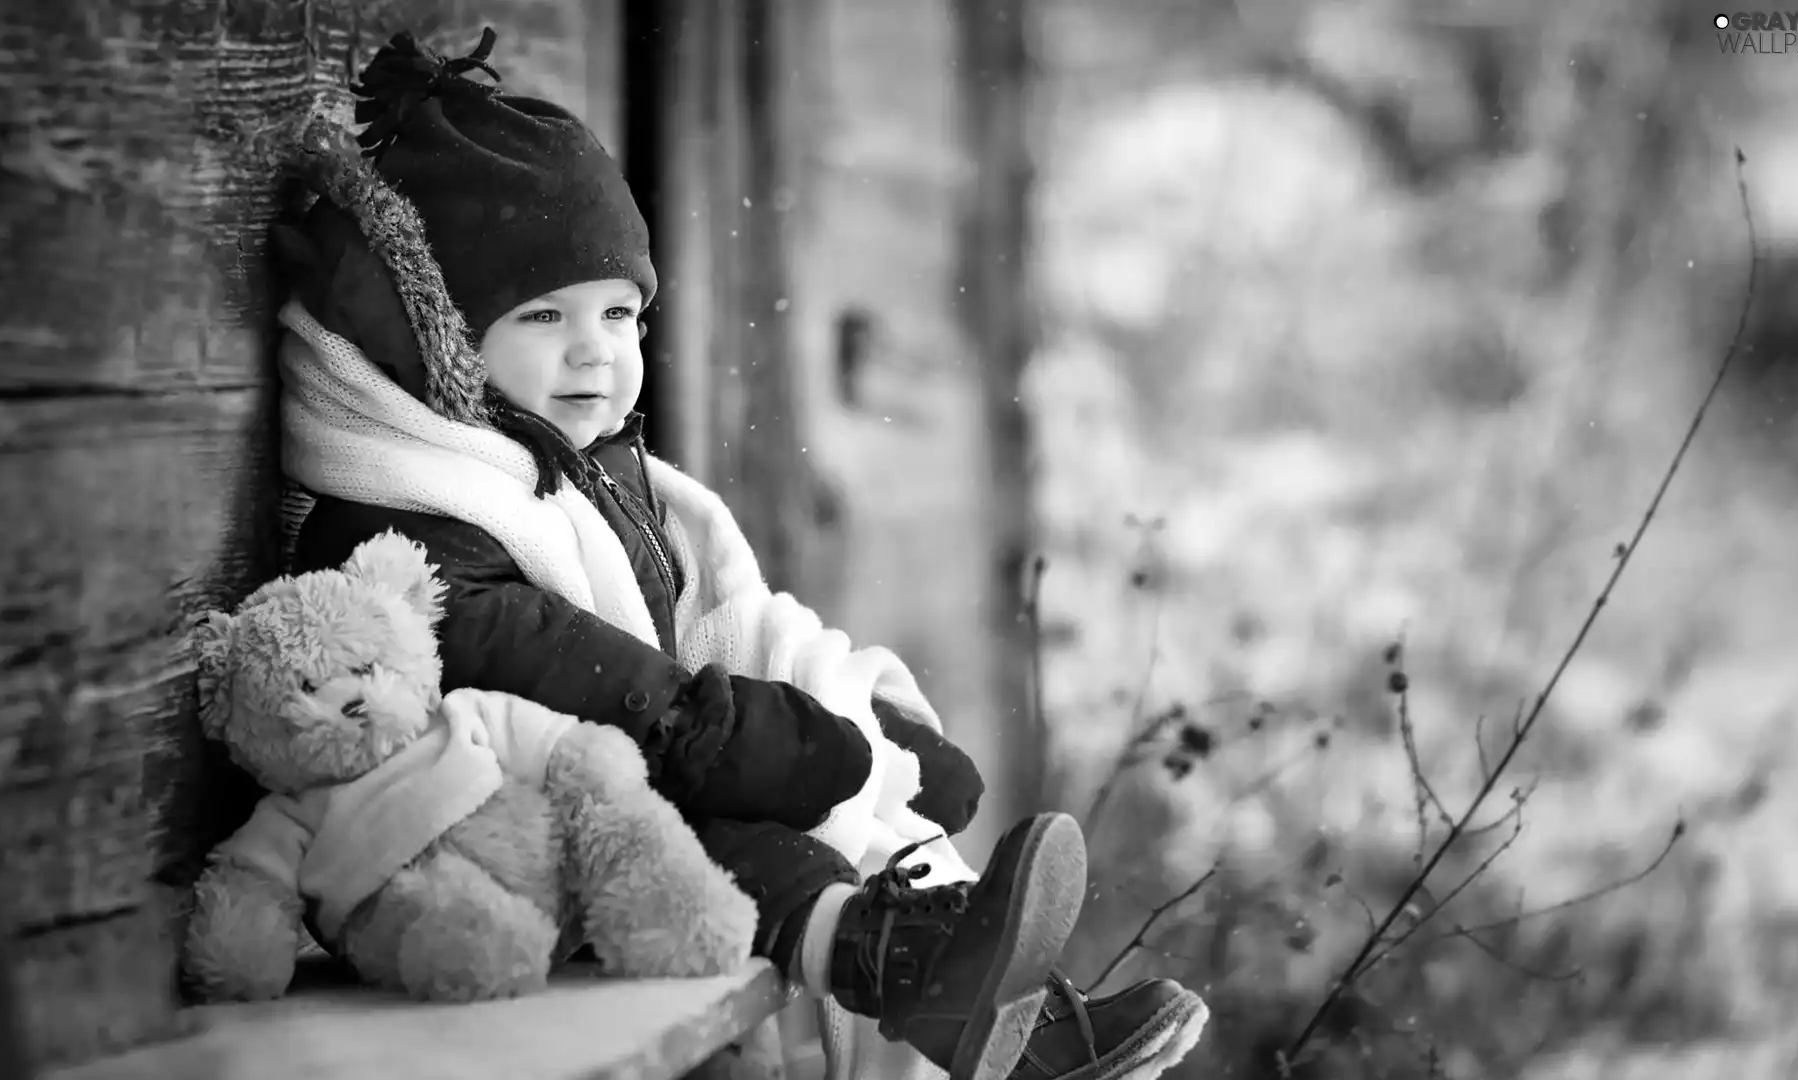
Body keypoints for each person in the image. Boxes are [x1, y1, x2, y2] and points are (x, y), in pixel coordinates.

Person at [272, 28, 1205, 1080]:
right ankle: (908, 969)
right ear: (438, 339)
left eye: (621, 313)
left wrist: (854, 718)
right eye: (544, 315)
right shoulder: (405, 521)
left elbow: (702, 609)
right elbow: (543, 658)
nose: (598, 351)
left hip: (617, 779)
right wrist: (718, 731)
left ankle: (1010, 1016)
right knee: (750, 843)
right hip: (491, 848)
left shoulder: (582, 471)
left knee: (822, 806)